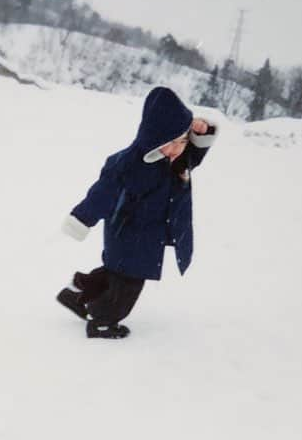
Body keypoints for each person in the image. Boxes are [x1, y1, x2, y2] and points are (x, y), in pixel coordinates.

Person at [57, 86, 219, 338]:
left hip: (146, 234)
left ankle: (78, 292)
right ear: (155, 137)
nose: (178, 149)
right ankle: (103, 321)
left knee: (115, 273)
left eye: (184, 141)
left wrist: (202, 132)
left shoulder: (173, 160)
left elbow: (192, 156)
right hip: (129, 233)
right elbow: (103, 193)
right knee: (128, 285)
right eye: (172, 142)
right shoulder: (129, 164)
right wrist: (82, 218)